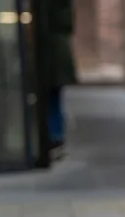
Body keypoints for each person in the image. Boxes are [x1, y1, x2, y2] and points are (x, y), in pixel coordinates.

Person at [40, 0, 77, 161]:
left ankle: (54, 138)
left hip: (50, 59)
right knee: (54, 99)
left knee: (50, 100)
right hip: (57, 57)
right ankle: (56, 137)